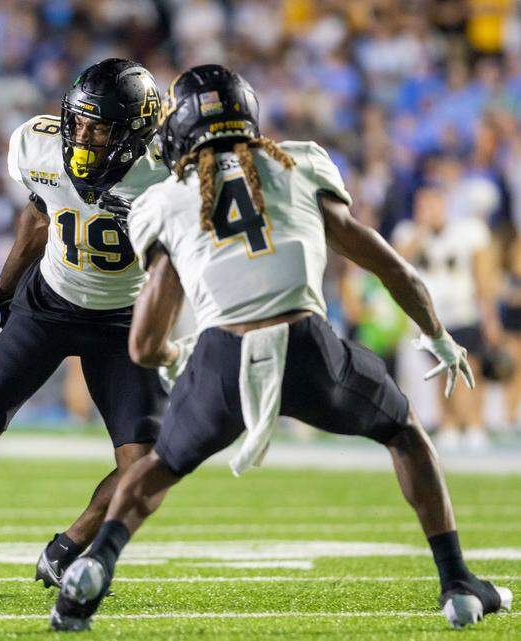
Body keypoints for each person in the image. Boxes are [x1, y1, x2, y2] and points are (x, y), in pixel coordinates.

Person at [49, 65, 512, 631]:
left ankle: (94, 564)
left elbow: (144, 344)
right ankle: (457, 580)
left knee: (159, 466)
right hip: (308, 347)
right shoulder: (299, 164)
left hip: (222, 355)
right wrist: (437, 335)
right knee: (405, 433)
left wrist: (176, 358)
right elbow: (393, 267)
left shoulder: (165, 199)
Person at [0, 59, 167, 588]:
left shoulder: (167, 175)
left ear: (134, 133)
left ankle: (67, 546)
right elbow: (39, 212)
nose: (81, 136)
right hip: (49, 303)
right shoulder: (39, 145)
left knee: (143, 465)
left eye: (99, 128)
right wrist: (6, 284)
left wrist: (150, 227)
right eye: (78, 121)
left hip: (124, 320)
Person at [392, 185, 499, 451]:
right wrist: (422, 231)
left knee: (468, 369)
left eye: (432, 205)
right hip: (429, 317)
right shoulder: (408, 232)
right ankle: (448, 423)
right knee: (442, 371)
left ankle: (473, 424)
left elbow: (482, 275)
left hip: (463, 312)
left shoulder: (468, 231)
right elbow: (395, 264)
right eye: (422, 205)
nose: (426, 210)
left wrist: (489, 316)